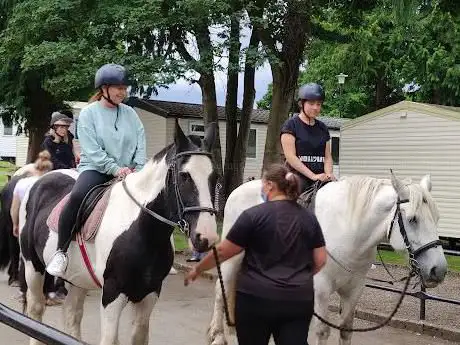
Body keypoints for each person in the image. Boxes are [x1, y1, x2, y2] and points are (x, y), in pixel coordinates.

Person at [184, 163, 327, 345]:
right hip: (297, 301)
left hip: (256, 300)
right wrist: (300, 276)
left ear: (270, 185)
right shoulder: (309, 218)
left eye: (263, 185)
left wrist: (198, 269)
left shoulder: (253, 216)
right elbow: (321, 260)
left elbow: (224, 251)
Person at [45, 63, 147, 278]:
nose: (123, 91)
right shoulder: (88, 114)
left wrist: (138, 168)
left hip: (130, 171)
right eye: (118, 87)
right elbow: (92, 150)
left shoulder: (130, 114)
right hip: (97, 169)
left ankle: (154, 253)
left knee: (154, 201)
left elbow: (141, 142)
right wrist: (115, 169)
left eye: (124, 87)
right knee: (77, 197)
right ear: (104, 89)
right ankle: (61, 252)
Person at [9, 151, 63, 305]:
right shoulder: (50, 184)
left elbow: (14, 208)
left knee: (25, 259)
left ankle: (23, 291)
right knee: (48, 257)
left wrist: (15, 224)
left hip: (26, 224)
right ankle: (50, 292)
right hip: (44, 225)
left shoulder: (21, 183)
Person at [280, 83, 335, 193]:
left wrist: (328, 174)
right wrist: (313, 176)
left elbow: (327, 157)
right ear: (301, 103)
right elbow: (291, 157)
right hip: (297, 176)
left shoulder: (323, 128)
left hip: (320, 177)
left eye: (319, 104)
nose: (316, 107)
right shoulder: (291, 125)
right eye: (311, 103)